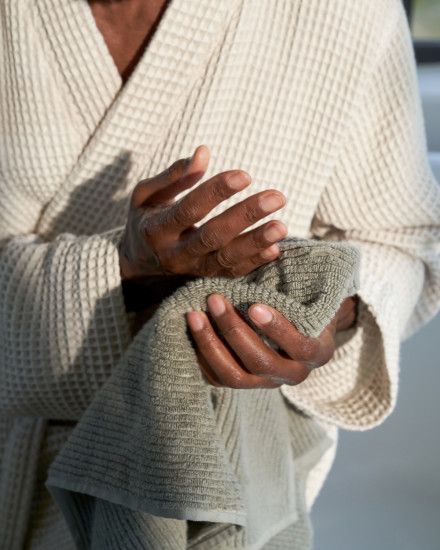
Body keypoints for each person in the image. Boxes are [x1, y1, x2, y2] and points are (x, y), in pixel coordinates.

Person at [0, 0, 439, 548]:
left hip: (236, 486)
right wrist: (124, 275)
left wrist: (325, 307)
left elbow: (405, 243)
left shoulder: (347, 13)